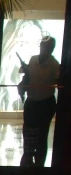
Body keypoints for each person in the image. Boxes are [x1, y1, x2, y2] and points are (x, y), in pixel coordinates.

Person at [20, 36, 60, 167]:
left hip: (45, 103)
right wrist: (25, 70)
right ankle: (27, 159)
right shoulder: (33, 59)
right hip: (31, 102)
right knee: (28, 132)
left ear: (52, 49)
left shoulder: (54, 65)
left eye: (48, 47)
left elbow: (58, 81)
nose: (44, 49)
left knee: (42, 134)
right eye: (42, 46)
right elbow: (29, 76)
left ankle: (39, 166)